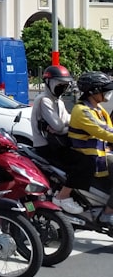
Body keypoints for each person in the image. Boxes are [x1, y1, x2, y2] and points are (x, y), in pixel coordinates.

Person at [30, 65, 89, 214]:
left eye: (65, 85)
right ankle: (63, 197)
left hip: (59, 143)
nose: (63, 88)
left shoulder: (58, 101)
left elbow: (68, 122)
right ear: (48, 83)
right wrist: (63, 127)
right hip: (47, 147)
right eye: (59, 84)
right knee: (85, 162)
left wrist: (64, 127)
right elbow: (58, 124)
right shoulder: (44, 100)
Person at [67, 71, 113, 224]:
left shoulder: (99, 110)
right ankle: (108, 213)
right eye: (104, 90)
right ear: (93, 91)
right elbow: (104, 132)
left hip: (102, 154)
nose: (108, 93)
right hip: (91, 158)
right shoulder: (82, 111)